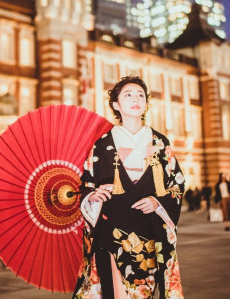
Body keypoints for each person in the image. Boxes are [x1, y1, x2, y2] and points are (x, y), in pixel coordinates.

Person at [73, 76, 185, 299]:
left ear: (146, 104)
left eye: (140, 95)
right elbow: (86, 184)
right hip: (113, 233)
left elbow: (177, 184)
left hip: (151, 233)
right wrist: (93, 196)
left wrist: (158, 202)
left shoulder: (160, 143)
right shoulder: (102, 144)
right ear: (116, 105)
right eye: (128, 95)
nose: (136, 99)